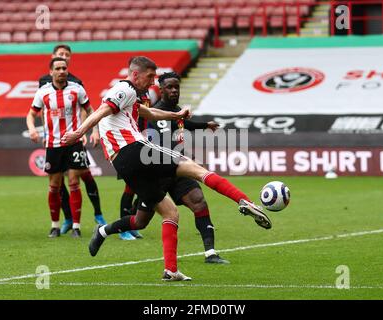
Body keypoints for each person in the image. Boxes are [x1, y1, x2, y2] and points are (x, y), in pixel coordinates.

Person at [61, 56, 272, 281]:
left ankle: (165, 267)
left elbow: (148, 113)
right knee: (194, 168)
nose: (153, 81)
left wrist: (176, 115)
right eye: (150, 76)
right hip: (135, 150)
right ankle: (244, 200)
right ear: (135, 74)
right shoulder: (125, 88)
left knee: (162, 214)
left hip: (121, 163)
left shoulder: (132, 99)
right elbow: (102, 110)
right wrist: (79, 132)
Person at [124, 72, 229, 264]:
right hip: (157, 173)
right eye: (169, 87)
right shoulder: (151, 114)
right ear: (161, 89)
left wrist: (205, 125)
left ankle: (211, 253)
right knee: (141, 222)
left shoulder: (178, 112)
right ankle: (105, 230)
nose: (174, 90)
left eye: (176, 87)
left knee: (199, 203)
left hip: (177, 169)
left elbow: (184, 124)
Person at [27, 57, 98, 238]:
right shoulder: (43, 92)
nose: (61, 71)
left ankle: (76, 226)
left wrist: (94, 130)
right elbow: (31, 114)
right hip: (53, 144)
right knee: (54, 185)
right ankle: (55, 226)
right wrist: (32, 129)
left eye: (64, 68)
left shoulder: (77, 89)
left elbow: (91, 111)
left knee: (74, 181)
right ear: (51, 72)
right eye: (57, 68)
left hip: (73, 142)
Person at [39, 44, 107, 234]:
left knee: (83, 175)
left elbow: (84, 109)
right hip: (53, 139)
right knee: (58, 181)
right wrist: (45, 131)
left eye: (67, 56)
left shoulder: (76, 83)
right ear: (52, 60)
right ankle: (67, 219)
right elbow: (42, 109)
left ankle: (97, 213)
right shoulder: (42, 84)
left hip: (74, 136)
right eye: (61, 55)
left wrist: (84, 131)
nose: (64, 58)